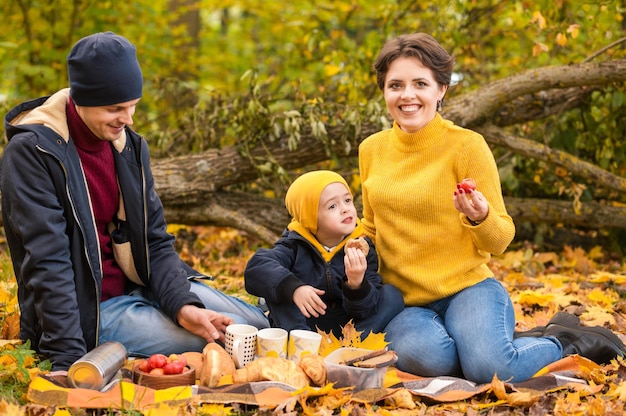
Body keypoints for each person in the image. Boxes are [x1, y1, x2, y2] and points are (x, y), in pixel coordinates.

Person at [358, 32, 625, 383]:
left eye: (420, 83)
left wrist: (479, 216)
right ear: (384, 92)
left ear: (441, 90)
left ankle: (565, 341)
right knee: (427, 359)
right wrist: (352, 246)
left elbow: (500, 240)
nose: (407, 95)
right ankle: (489, 345)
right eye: (396, 85)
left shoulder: (466, 146)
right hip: (407, 303)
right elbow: (371, 227)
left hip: (469, 289)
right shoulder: (372, 149)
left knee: (490, 369)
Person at [1, 32, 269, 372]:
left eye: (133, 106)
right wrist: (68, 359)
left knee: (254, 326)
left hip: (142, 285)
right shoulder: (32, 154)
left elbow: (155, 241)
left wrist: (181, 306)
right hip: (93, 312)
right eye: (115, 108)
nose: (128, 120)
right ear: (81, 100)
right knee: (220, 339)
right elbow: (48, 263)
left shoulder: (129, 147)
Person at [244, 170, 404, 337]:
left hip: (347, 326)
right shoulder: (294, 245)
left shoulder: (361, 248)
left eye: (347, 200)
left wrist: (356, 284)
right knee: (278, 286)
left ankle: (352, 346)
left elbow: (364, 310)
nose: (345, 209)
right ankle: (302, 346)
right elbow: (257, 267)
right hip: (304, 324)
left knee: (391, 296)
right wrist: (295, 289)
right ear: (310, 217)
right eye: (332, 206)